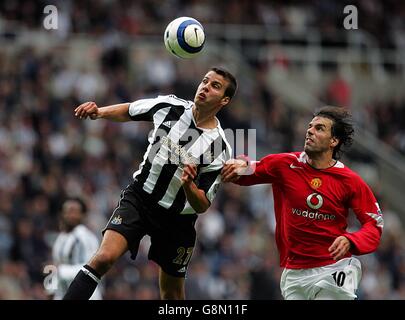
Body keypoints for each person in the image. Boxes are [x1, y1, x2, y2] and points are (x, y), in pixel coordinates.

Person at [63, 67, 237, 300]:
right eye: (205, 81)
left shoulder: (220, 146)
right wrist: (99, 112)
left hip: (178, 220)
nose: (205, 86)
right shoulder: (169, 106)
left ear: (224, 100)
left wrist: (188, 186)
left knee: (172, 294)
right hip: (140, 199)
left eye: (215, 85)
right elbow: (130, 110)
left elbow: (203, 204)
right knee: (103, 257)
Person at [221, 106, 383, 300]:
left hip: (334, 268)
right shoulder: (285, 164)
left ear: (334, 141)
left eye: (320, 128)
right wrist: (241, 163)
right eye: (310, 126)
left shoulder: (350, 181)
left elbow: (374, 225)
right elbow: (250, 171)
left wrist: (351, 240)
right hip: (295, 273)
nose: (310, 131)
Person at [50, 197, 101, 300]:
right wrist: (51, 290)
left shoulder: (85, 237)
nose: (70, 215)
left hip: (87, 295)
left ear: (82, 215)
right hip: (64, 293)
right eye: (67, 211)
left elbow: (91, 269)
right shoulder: (61, 238)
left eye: (74, 211)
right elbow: (54, 267)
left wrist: (59, 270)